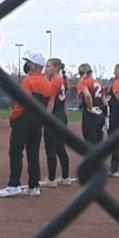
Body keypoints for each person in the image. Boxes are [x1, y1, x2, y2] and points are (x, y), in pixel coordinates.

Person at [0, 52, 52, 198]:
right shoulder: (47, 82)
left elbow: (23, 102)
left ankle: (14, 184)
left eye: (30, 62)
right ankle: (34, 186)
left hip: (23, 120)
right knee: (33, 154)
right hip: (37, 121)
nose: (28, 65)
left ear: (35, 66)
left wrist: (13, 116)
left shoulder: (29, 81)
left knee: (16, 152)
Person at [42, 58, 73, 186]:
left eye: (48, 66)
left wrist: (45, 118)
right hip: (61, 115)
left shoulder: (54, 81)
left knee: (51, 148)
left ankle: (51, 179)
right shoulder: (64, 81)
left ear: (56, 67)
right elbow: (64, 101)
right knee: (60, 147)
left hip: (54, 114)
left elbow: (51, 101)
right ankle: (65, 176)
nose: (46, 68)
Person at [75, 63, 105, 147]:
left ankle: (93, 159)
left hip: (90, 114)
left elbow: (87, 95)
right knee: (99, 140)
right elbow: (104, 99)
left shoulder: (83, 83)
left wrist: (90, 107)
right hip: (100, 112)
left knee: (90, 141)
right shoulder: (97, 83)